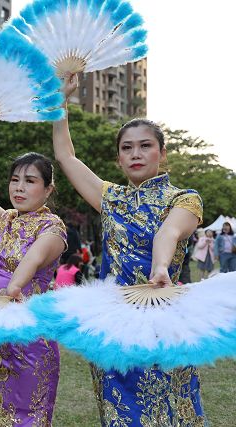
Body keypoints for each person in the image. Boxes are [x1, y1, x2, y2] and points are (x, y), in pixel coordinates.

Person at [52, 74, 205, 426]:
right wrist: (61, 103)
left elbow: (168, 232)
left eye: (146, 145)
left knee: (171, 407)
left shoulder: (184, 198)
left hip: (163, 314)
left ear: (162, 153)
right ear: (119, 158)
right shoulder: (111, 198)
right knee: (118, 412)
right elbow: (65, 156)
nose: (136, 153)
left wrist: (161, 267)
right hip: (113, 323)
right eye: (127, 147)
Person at [0, 117, 66, 426]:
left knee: (24, 418)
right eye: (15, 179)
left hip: (31, 337)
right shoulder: (4, 220)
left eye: (30, 181)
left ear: (48, 189)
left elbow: (31, 260)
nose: (19, 187)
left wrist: (13, 287)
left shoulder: (52, 226)